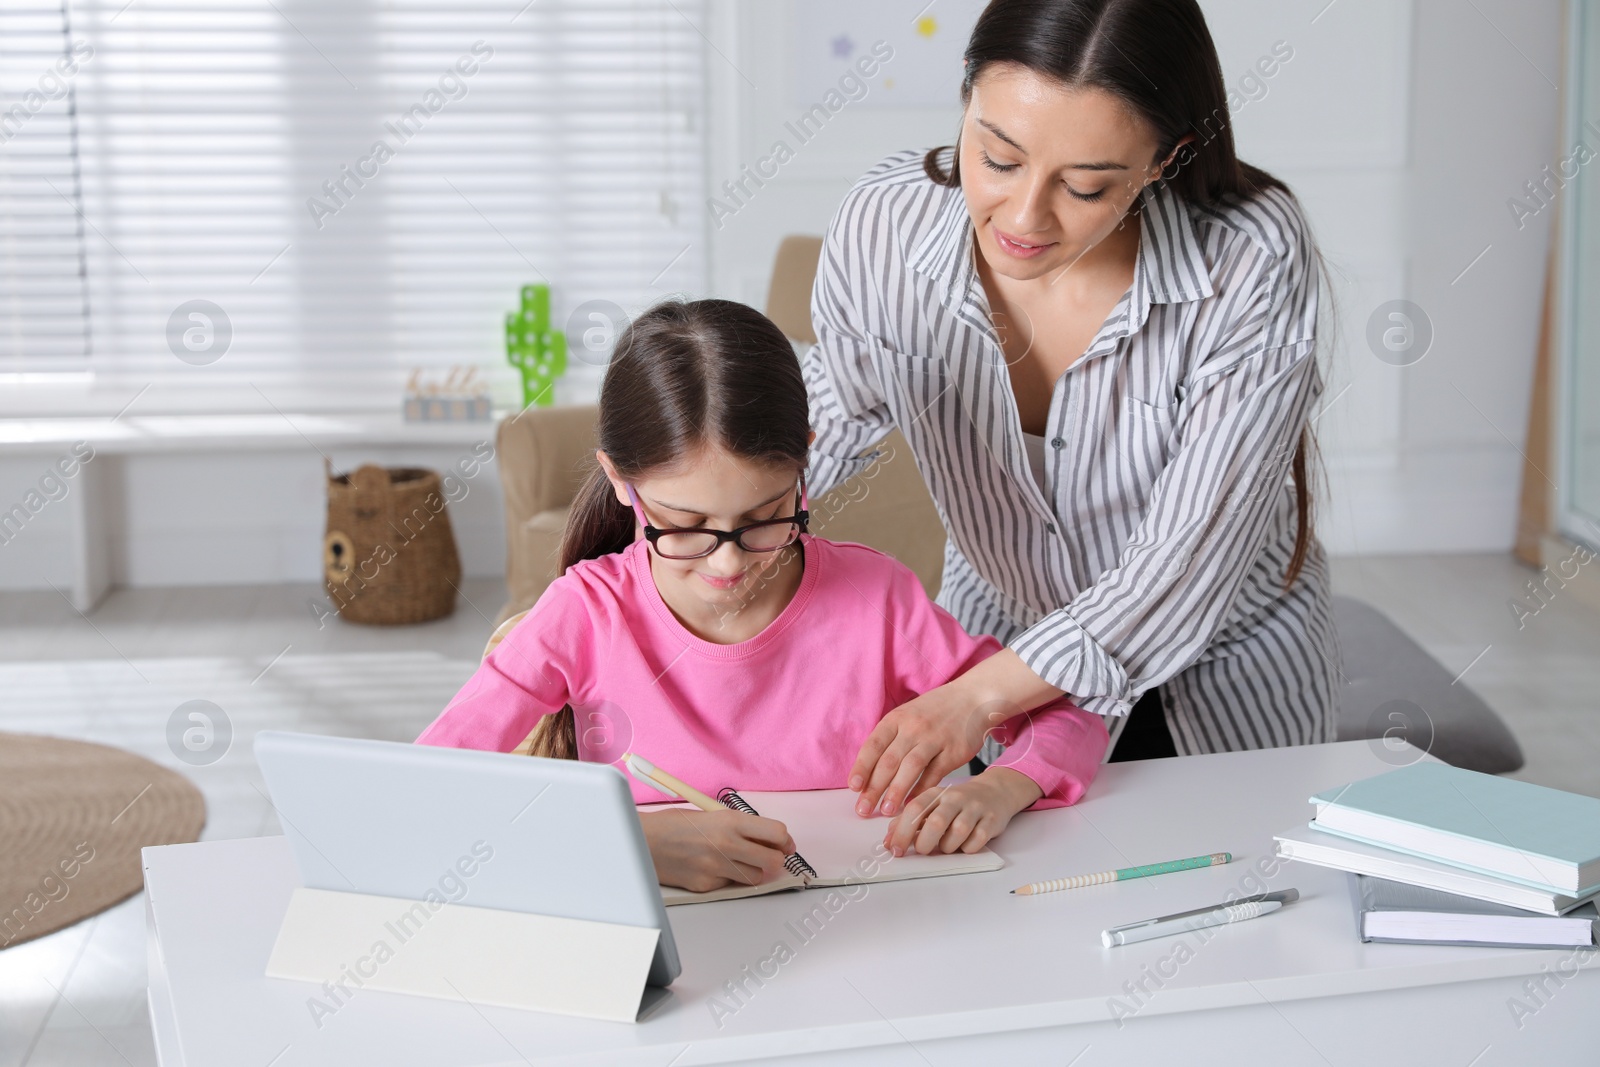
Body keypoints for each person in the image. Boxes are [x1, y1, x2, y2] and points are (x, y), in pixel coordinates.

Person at [804, 0, 1340, 822]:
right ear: (967, 99)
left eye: (1086, 186)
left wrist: (975, 699)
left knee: (1238, 915)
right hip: (999, 648)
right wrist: (642, 553)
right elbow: (823, 420)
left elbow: (1182, 565)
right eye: (997, 157)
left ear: (1169, 157)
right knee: (1009, 916)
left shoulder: (1247, 258)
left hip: (1216, 678)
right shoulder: (885, 227)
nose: (1022, 219)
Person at [415, 298, 1108, 893]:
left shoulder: (877, 600)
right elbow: (427, 790)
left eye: (765, 518)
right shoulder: (583, 614)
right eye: (683, 527)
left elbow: (1068, 722)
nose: (727, 562)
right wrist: (634, 846)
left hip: (868, 935)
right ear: (622, 482)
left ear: (805, 458)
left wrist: (999, 786)